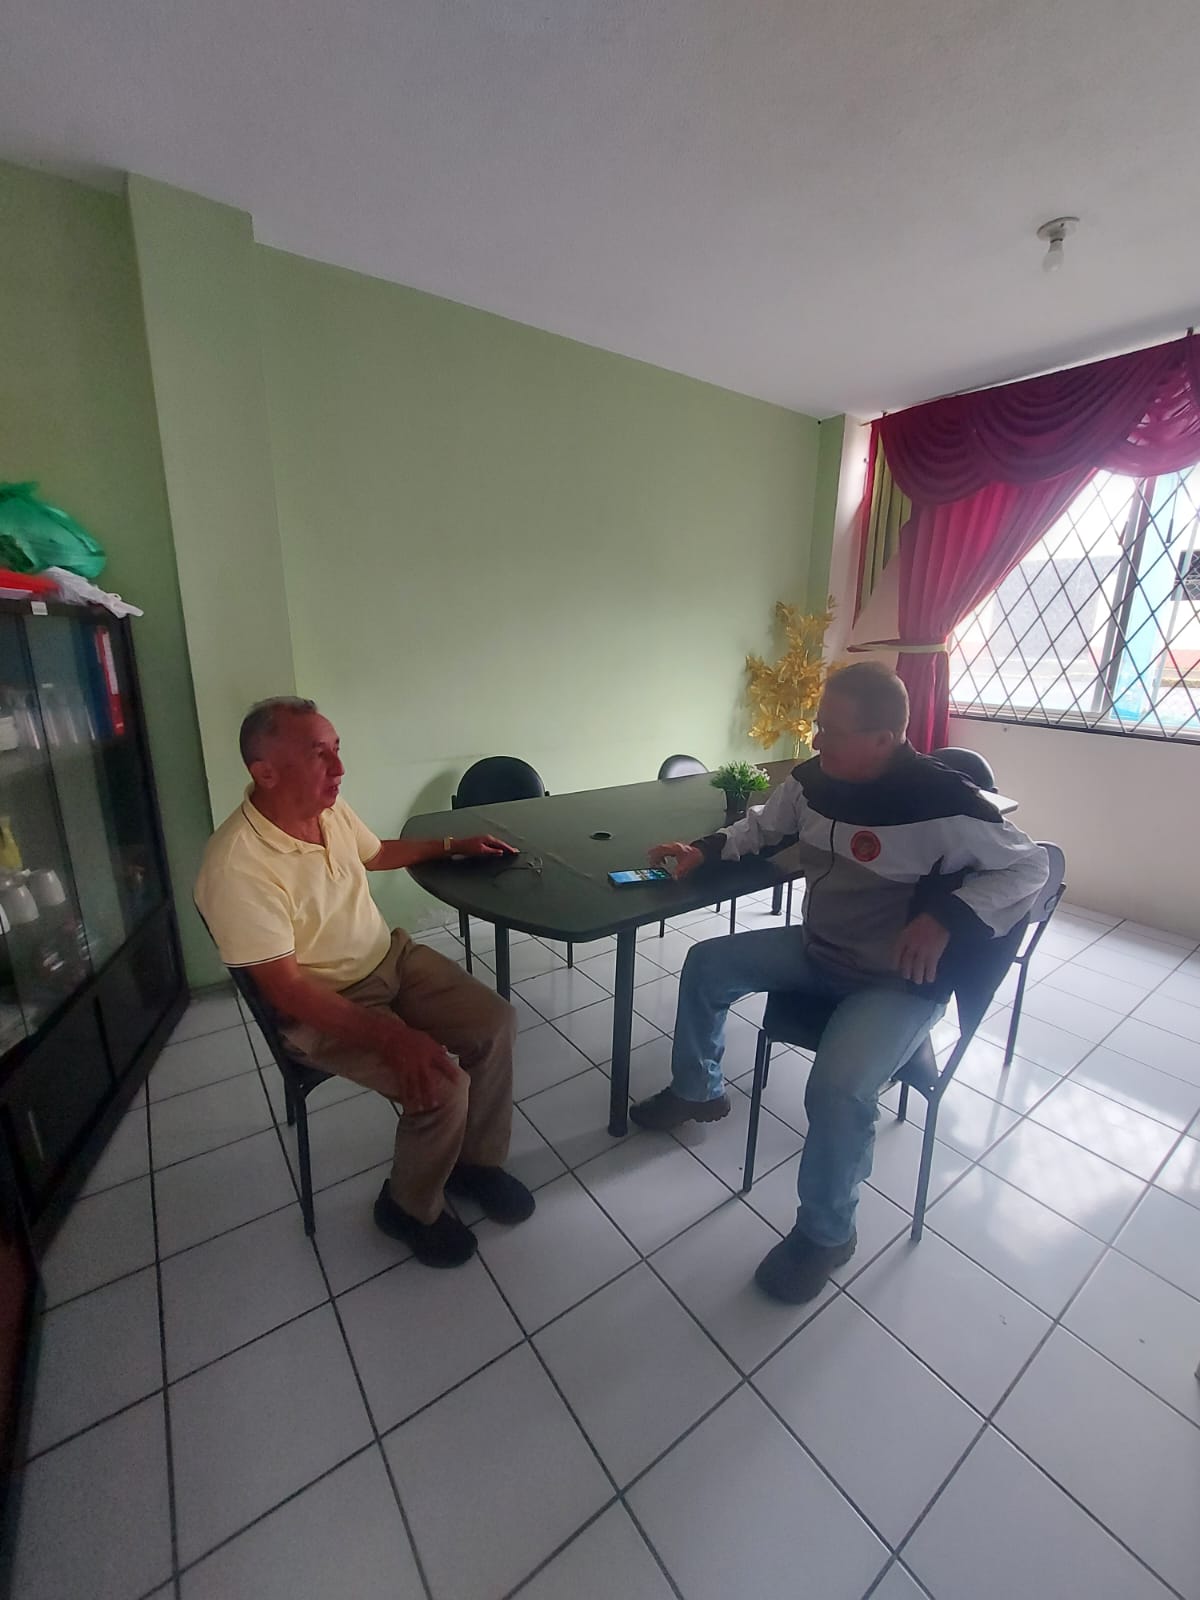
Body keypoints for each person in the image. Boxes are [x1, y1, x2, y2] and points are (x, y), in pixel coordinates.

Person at [631, 661, 1048, 1304]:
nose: (816, 739)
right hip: (819, 949)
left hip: (897, 982)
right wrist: (704, 850)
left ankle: (827, 1235)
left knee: (837, 1087)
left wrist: (945, 917)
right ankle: (698, 1091)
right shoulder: (813, 781)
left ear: (884, 739)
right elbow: (762, 826)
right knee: (707, 963)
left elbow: (1030, 868)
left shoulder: (947, 803)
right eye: (818, 725)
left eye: (831, 729)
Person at [195, 696, 534, 1269]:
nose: (339, 768)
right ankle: (407, 1208)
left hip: (389, 957)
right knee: (441, 1085)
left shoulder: (327, 808)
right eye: (318, 754)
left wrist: (453, 845)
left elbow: (375, 854)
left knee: (495, 1023)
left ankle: (475, 1165)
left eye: (337, 749)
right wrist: (395, 1038)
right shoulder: (235, 867)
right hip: (321, 1003)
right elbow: (287, 991)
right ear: (266, 772)